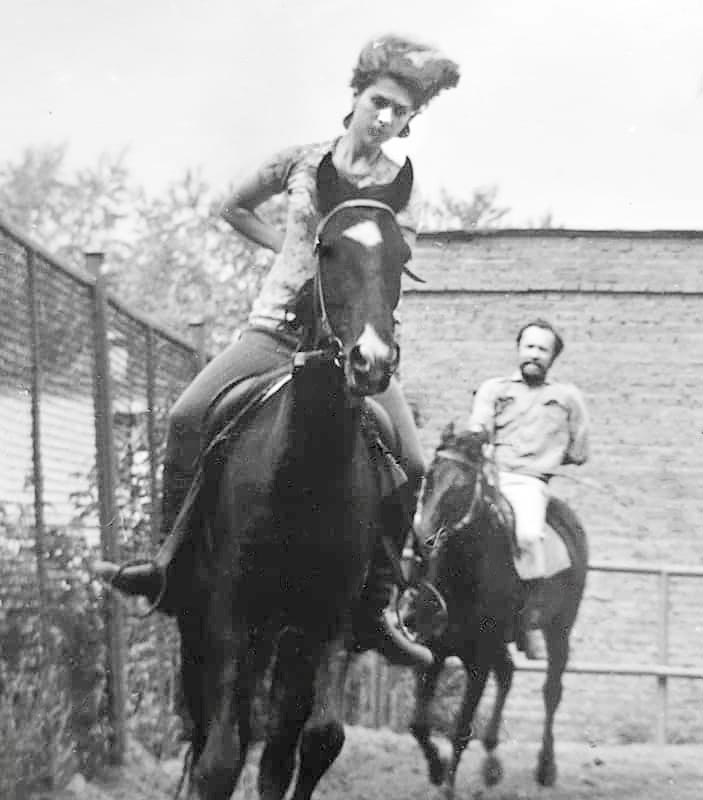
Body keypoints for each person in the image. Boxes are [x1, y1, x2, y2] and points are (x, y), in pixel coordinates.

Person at [95, 34, 460, 666]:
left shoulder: (402, 188)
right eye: (377, 102)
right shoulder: (299, 163)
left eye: (399, 112)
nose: (384, 117)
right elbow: (232, 207)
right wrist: (290, 253)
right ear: (356, 97)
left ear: (408, 123)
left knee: (414, 459)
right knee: (186, 416)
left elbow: (383, 268)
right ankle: (166, 564)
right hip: (275, 331)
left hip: (351, 347)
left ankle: (376, 605)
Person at [468, 320, 589, 658]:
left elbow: (580, 450)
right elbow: (478, 427)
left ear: (553, 357)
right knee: (441, 523)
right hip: (490, 476)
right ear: (519, 349)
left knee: (527, 535)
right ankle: (420, 604)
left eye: (543, 349)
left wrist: (547, 459)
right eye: (529, 346)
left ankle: (527, 619)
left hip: (529, 482)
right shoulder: (494, 389)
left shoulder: (567, 398)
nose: (534, 354)